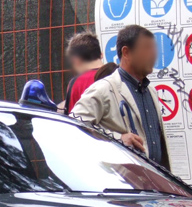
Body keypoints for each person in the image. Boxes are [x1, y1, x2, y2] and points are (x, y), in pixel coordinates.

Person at [70, 24, 169, 168]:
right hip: (124, 183)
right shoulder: (104, 88)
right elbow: (73, 126)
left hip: (154, 183)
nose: (153, 54)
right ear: (126, 52)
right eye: (146, 48)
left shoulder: (151, 92)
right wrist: (117, 140)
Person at [63, 32, 106, 114]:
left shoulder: (76, 83)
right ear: (101, 55)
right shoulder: (117, 75)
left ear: (76, 59)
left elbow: (73, 118)